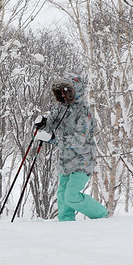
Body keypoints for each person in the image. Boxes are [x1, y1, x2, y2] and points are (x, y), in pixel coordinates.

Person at [35, 75, 108, 221]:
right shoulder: (60, 108)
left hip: (83, 161)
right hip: (65, 160)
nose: (63, 94)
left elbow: (79, 139)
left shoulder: (84, 111)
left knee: (71, 196)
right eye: (61, 91)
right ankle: (66, 224)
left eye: (66, 91)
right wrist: (43, 124)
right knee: (62, 196)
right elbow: (51, 124)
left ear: (75, 91)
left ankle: (101, 215)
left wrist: (53, 139)